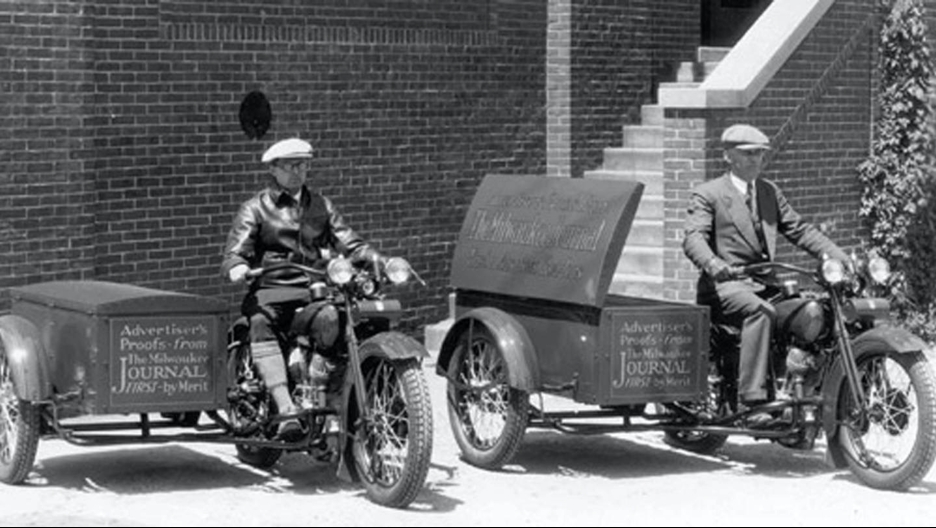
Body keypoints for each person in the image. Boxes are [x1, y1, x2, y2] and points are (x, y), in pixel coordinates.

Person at [682, 124, 849, 426]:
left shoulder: (769, 192)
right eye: (747, 154)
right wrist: (713, 263)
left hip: (764, 285)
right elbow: (693, 237)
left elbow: (800, 230)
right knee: (761, 312)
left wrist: (838, 257)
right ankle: (754, 401)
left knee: (811, 313)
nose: (755, 160)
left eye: (759, 154)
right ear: (728, 156)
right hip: (725, 287)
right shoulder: (709, 194)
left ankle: (802, 389)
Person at [221, 137, 383, 440]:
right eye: (292, 165)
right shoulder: (255, 209)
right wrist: (238, 267)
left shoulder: (320, 204)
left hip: (314, 288)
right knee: (260, 321)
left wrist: (379, 260)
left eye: (304, 165)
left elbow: (349, 241)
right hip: (272, 288)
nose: (299, 171)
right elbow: (236, 250)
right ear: (274, 169)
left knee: (335, 320)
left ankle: (328, 395)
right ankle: (285, 410)